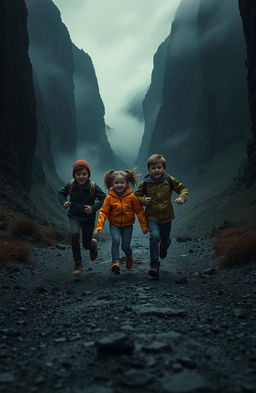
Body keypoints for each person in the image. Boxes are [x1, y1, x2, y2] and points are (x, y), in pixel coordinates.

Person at [135, 154, 188, 278]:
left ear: (164, 168)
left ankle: (165, 245)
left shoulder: (169, 180)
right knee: (154, 237)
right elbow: (134, 197)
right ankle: (154, 266)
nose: (156, 170)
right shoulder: (145, 183)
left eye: (159, 167)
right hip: (151, 216)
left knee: (164, 239)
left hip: (167, 216)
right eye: (153, 168)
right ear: (149, 170)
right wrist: (143, 200)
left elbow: (183, 188)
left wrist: (182, 197)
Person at [96, 170, 148, 274]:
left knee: (125, 246)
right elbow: (103, 212)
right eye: (116, 183)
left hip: (128, 226)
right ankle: (115, 262)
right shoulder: (109, 198)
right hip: (114, 225)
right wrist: (99, 226)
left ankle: (129, 254)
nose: (119, 185)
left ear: (127, 183)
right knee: (115, 240)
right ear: (112, 184)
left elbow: (139, 211)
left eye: (122, 182)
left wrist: (144, 226)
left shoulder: (132, 197)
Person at [58, 159, 106, 275]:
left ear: (88, 174)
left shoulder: (93, 186)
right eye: (78, 174)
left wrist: (93, 208)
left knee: (86, 245)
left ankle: (92, 244)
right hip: (74, 216)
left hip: (88, 219)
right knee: (74, 234)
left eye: (84, 174)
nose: (81, 176)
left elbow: (104, 198)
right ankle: (77, 263)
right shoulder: (70, 185)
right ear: (74, 175)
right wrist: (64, 202)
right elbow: (61, 193)